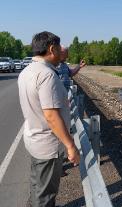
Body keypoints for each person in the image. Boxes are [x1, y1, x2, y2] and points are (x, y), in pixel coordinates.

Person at [18, 31, 80, 207]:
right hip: (48, 145)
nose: (62, 52)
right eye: (60, 48)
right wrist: (70, 146)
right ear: (52, 49)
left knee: (37, 183)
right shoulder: (47, 75)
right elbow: (51, 116)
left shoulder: (27, 71)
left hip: (34, 138)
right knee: (46, 192)